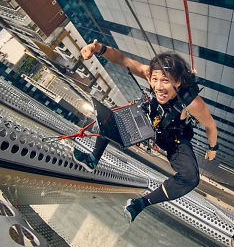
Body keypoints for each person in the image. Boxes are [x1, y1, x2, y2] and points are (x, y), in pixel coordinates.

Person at [74, 39, 219, 223]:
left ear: (179, 81)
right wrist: (98, 48)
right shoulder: (149, 74)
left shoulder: (192, 102)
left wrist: (213, 148)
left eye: (166, 81)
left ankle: (141, 203)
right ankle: (93, 158)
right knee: (108, 120)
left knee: (191, 178)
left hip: (173, 136)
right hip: (147, 118)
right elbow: (122, 59)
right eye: (155, 80)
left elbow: (210, 126)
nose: (158, 86)